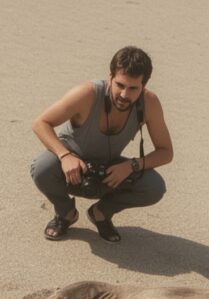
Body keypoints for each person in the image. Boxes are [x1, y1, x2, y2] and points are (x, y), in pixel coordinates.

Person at [31, 46, 173, 243]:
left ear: (144, 86)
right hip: (70, 169)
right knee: (42, 168)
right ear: (110, 77)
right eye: (120, 85)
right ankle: (65, 213)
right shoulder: (87, 94)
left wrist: (131, 165)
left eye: (133, 88)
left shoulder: (149, 104)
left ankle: (101, 213)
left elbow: (166, 152)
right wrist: (65, 156)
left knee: (154, 187)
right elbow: (40, 123)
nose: (124, 94)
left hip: (108, 171)